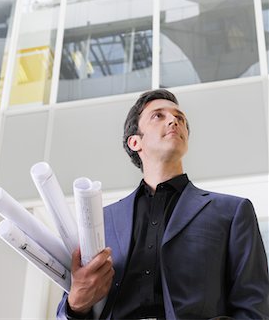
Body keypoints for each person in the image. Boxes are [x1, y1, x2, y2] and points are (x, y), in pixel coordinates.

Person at [57, 89, 269, 319]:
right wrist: (76, 305)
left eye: (180, 119)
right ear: (135, 141)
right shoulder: (102, 220)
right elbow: (65, 312)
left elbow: (255, 307)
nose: (173, 121)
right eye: (159, 115)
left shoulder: (232, 212)